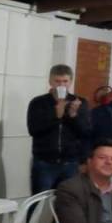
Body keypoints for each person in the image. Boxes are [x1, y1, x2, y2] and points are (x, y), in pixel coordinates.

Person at [27, 64, 91, 194]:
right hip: (45, 162)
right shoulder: (38, 102)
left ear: (71, 82)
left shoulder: (79, 102)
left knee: (69, 200)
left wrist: (73, 115)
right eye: (57, 81)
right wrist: (56, 116)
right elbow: (34, 130)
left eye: (65, 81)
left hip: (70, 163)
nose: (61, 85)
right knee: (40, 201)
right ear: (50, 81)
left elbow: (85, 132)